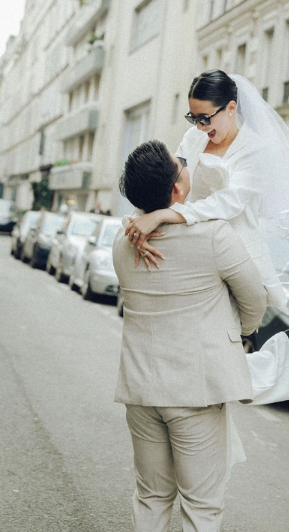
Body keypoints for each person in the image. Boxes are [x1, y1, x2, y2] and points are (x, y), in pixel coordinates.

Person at [114, 140, 268, 532]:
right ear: (178, 190)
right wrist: (237, 331)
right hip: (194, 392)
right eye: (181, 164)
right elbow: (255, 300)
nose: (187, 164)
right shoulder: (213, 236)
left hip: (141, 390)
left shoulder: (124, 242)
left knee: (151, 497)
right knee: (201, 506)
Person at [125, 71, 289, 300]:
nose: (199, 127)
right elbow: (167, 182)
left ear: (231, 108)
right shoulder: (192, 138)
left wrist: (163, 215)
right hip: (187, 244)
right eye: (193, 118)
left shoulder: (256, 149)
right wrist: (138, 224)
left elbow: (228, 203)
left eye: (205, 118)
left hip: (235, 252)